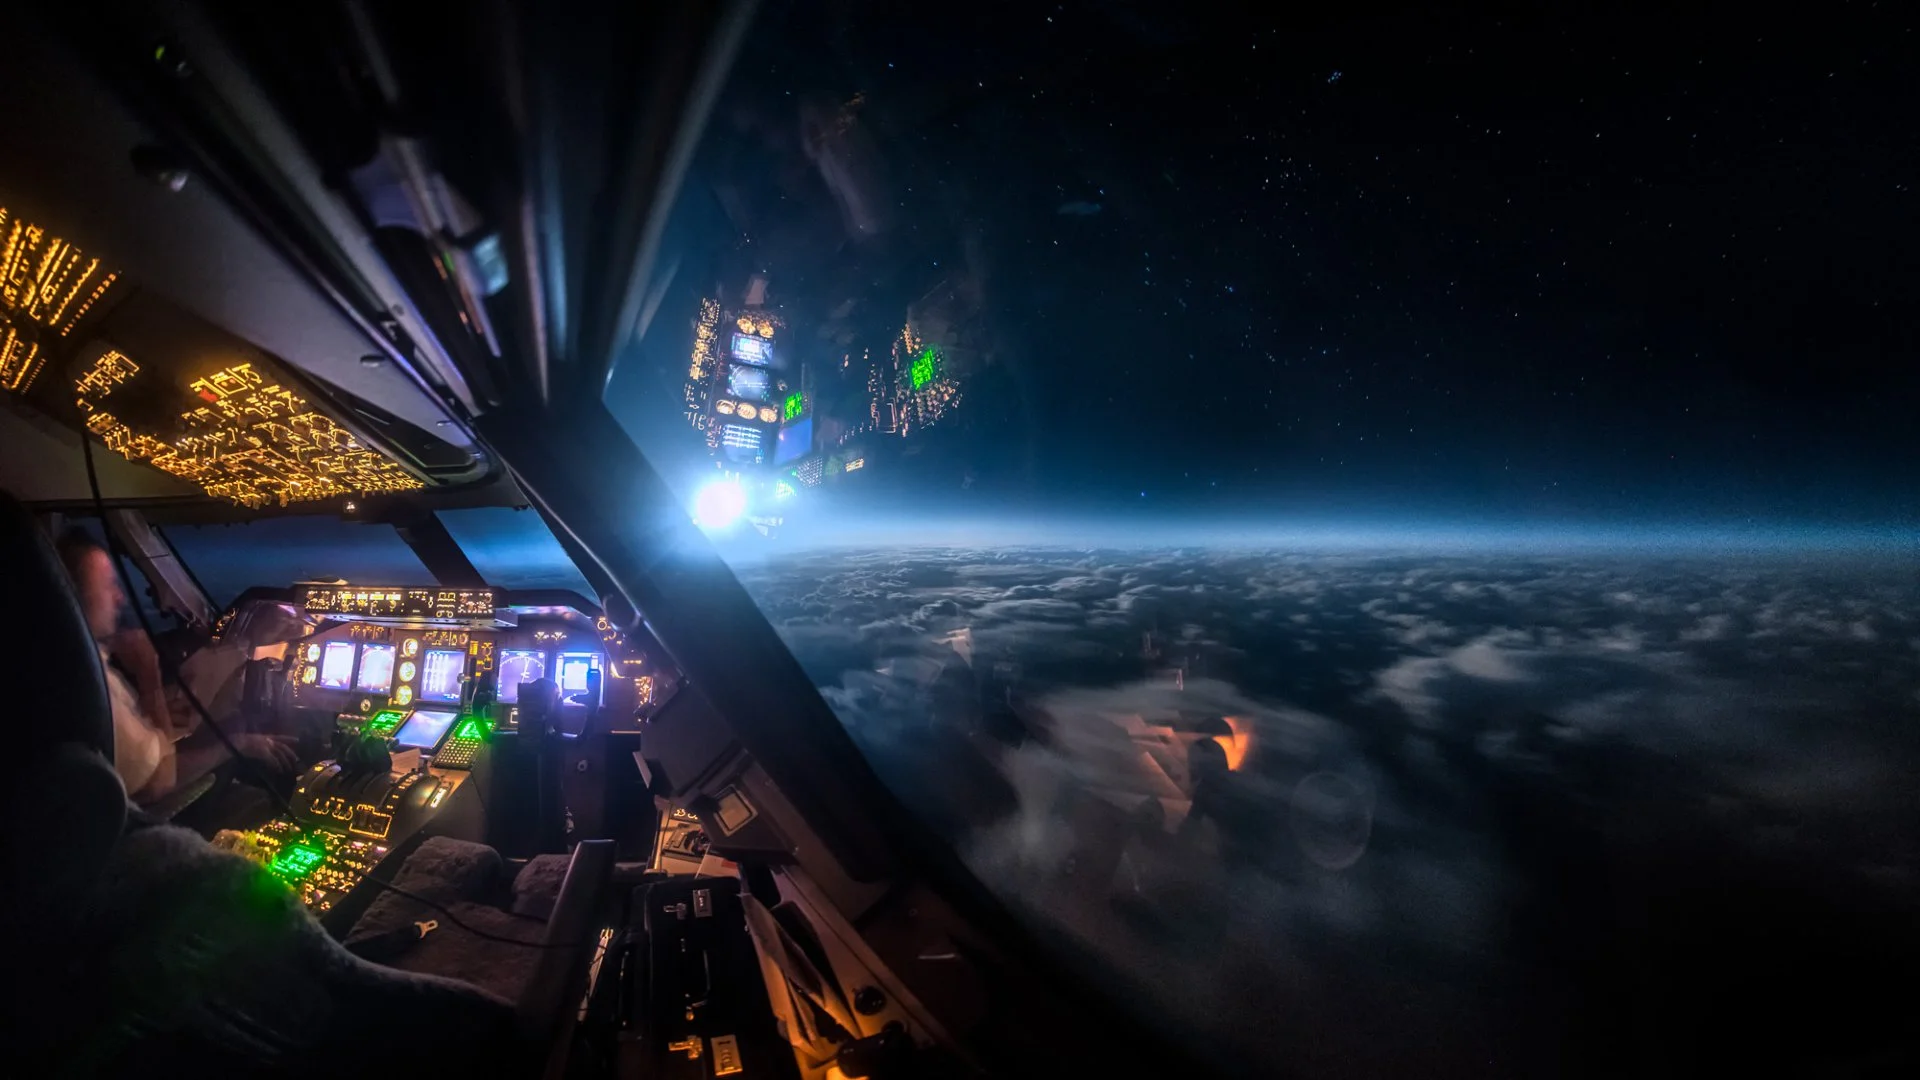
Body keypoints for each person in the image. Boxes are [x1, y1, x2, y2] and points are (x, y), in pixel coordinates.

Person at [55, 528, 295, 800]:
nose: (120, 597)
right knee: (257, 793)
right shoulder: (93, 684)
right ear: (69, 595)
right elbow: (161, 780)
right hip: (139, 817)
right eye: (108, 584)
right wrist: (150, 675)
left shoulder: (77, 666)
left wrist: (150, 707)